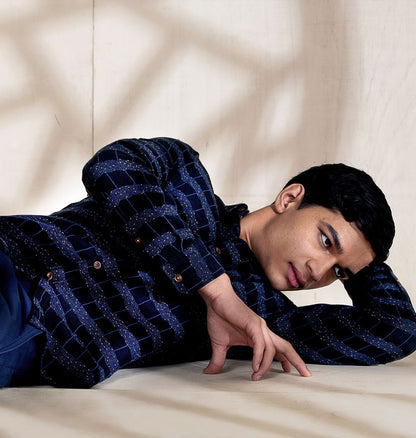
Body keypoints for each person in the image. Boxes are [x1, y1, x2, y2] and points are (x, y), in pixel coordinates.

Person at [0, 137, 415, 388]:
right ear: (290, 198)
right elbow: (113, 166)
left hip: (37, 338)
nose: (318, 272)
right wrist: (216, 291)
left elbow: (398, 329)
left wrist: (363, 260)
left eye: (338, 272)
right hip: (12, 251)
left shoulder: (261, 321)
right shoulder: (185, 176)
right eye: (325, 241)